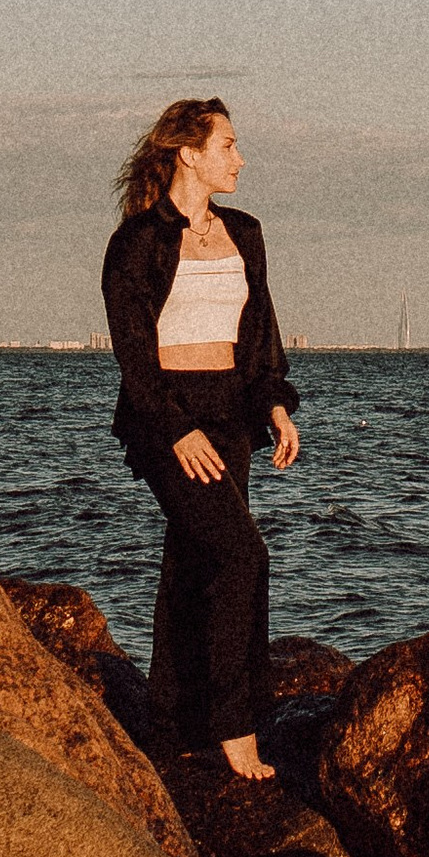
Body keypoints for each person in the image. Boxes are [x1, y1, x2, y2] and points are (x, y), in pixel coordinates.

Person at [100, 97, 301, 782]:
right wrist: (174, 427)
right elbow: (133, 352)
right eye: (228, 146)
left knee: (194, 566)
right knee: (243, 556)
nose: (239, 159)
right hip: (167, 414)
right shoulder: (138, 242)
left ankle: (172, 725)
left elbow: (260, 334)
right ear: (189, 152)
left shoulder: (245, 232)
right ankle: (234, 728)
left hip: (231, 412)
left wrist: (275, 406)